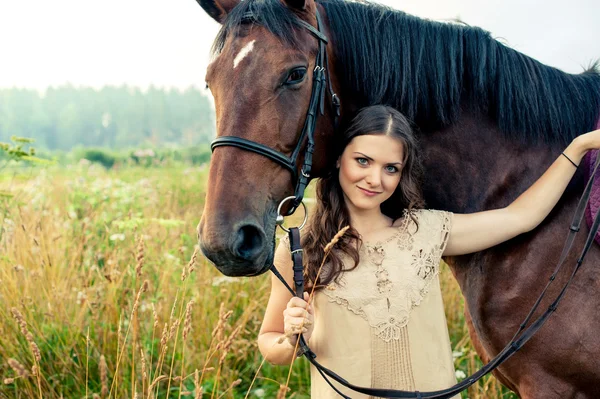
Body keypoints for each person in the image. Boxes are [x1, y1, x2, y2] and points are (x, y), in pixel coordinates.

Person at [257, 105, 600, 398]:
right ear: (337, 160)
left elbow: (521, 216)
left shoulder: (426, 231)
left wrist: (580, 145)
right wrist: (290, 340)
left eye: (391, 168)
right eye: (363, 160)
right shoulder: (300, 248)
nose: (375, 179)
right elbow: (271, 344)